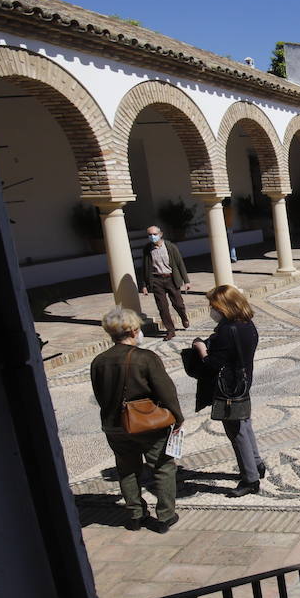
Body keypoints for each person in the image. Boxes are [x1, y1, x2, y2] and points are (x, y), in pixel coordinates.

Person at [90, 308, 185, 532]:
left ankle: (135, 514)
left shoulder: (99, 361)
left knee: (127, 469)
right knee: (162, 467)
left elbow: (99, 394)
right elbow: (166, 391)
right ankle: (165, 515)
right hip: (147, 423)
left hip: (114, 424)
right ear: (133, 330)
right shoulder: (145, 358)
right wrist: (177, 416)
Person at [193, 284, 265, 497]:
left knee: (237, 432)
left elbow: (213, 364)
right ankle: (257, 464)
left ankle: (250, 479)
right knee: (245, 424)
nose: (211, 309)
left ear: (224, 306)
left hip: (229, 388)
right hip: (243, 382)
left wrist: (202, 349)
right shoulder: (247, 324)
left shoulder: (227, 330)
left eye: (213, 305)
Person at [139, 225, 190, 340]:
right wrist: (144, 285)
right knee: (162, 307)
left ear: (160, 234)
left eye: (154, 234)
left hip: (171, 278)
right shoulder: (147, 249)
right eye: (150, 235)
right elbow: (145, 267)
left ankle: (183, 317)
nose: (152, 237)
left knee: (178, 304)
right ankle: (170, 330)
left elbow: (179, 263)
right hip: (156, 280)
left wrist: (186, 281)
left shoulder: (170, 247)